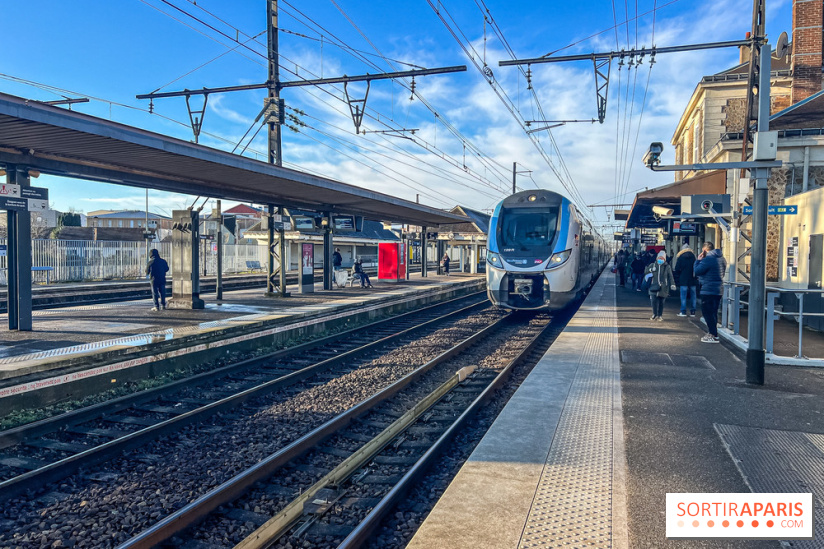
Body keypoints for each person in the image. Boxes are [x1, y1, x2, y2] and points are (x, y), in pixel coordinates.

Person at [694, 241, 727, 343]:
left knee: (707, 312)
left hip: (708, 289)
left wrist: (698, 261)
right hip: (719, 289)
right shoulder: (722, 259)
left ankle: (712, 334)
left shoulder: (707, 259)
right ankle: (714, 334)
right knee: (713, 312)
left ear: (704, 250)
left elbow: (696, 271)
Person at [645, 250, 676, 321]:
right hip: (653, 286)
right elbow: (646, 272)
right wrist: (650, 270)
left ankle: (660, 315)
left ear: (664, 259)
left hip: (663, 287)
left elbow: (670, 276)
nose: (660, 259)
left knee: (661, 302)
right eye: (659, 258)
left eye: (662, 258)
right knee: (653, 301)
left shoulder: (667, 267)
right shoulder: (653, 265)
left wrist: (672, 284)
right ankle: (654, 314)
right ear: (657, 258)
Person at [673, 242, 698, 317]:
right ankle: (693, 312)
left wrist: (679, 274)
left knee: (683, 296)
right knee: (693, 295)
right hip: (693, 279)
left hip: (683, 279)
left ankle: (683, 311)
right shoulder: (694, 257)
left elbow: (677, 268)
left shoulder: (680, 257)